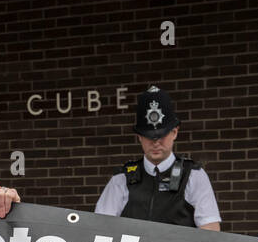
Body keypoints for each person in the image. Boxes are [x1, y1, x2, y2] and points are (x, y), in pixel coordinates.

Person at [94, 85, 222, 230]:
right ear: (139, 137)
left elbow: (210, 230)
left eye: (162, 135)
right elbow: (101, 228)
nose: (155, 142)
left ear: (174, 132)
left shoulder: (193, 175)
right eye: (149, 136)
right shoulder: (122, 179)